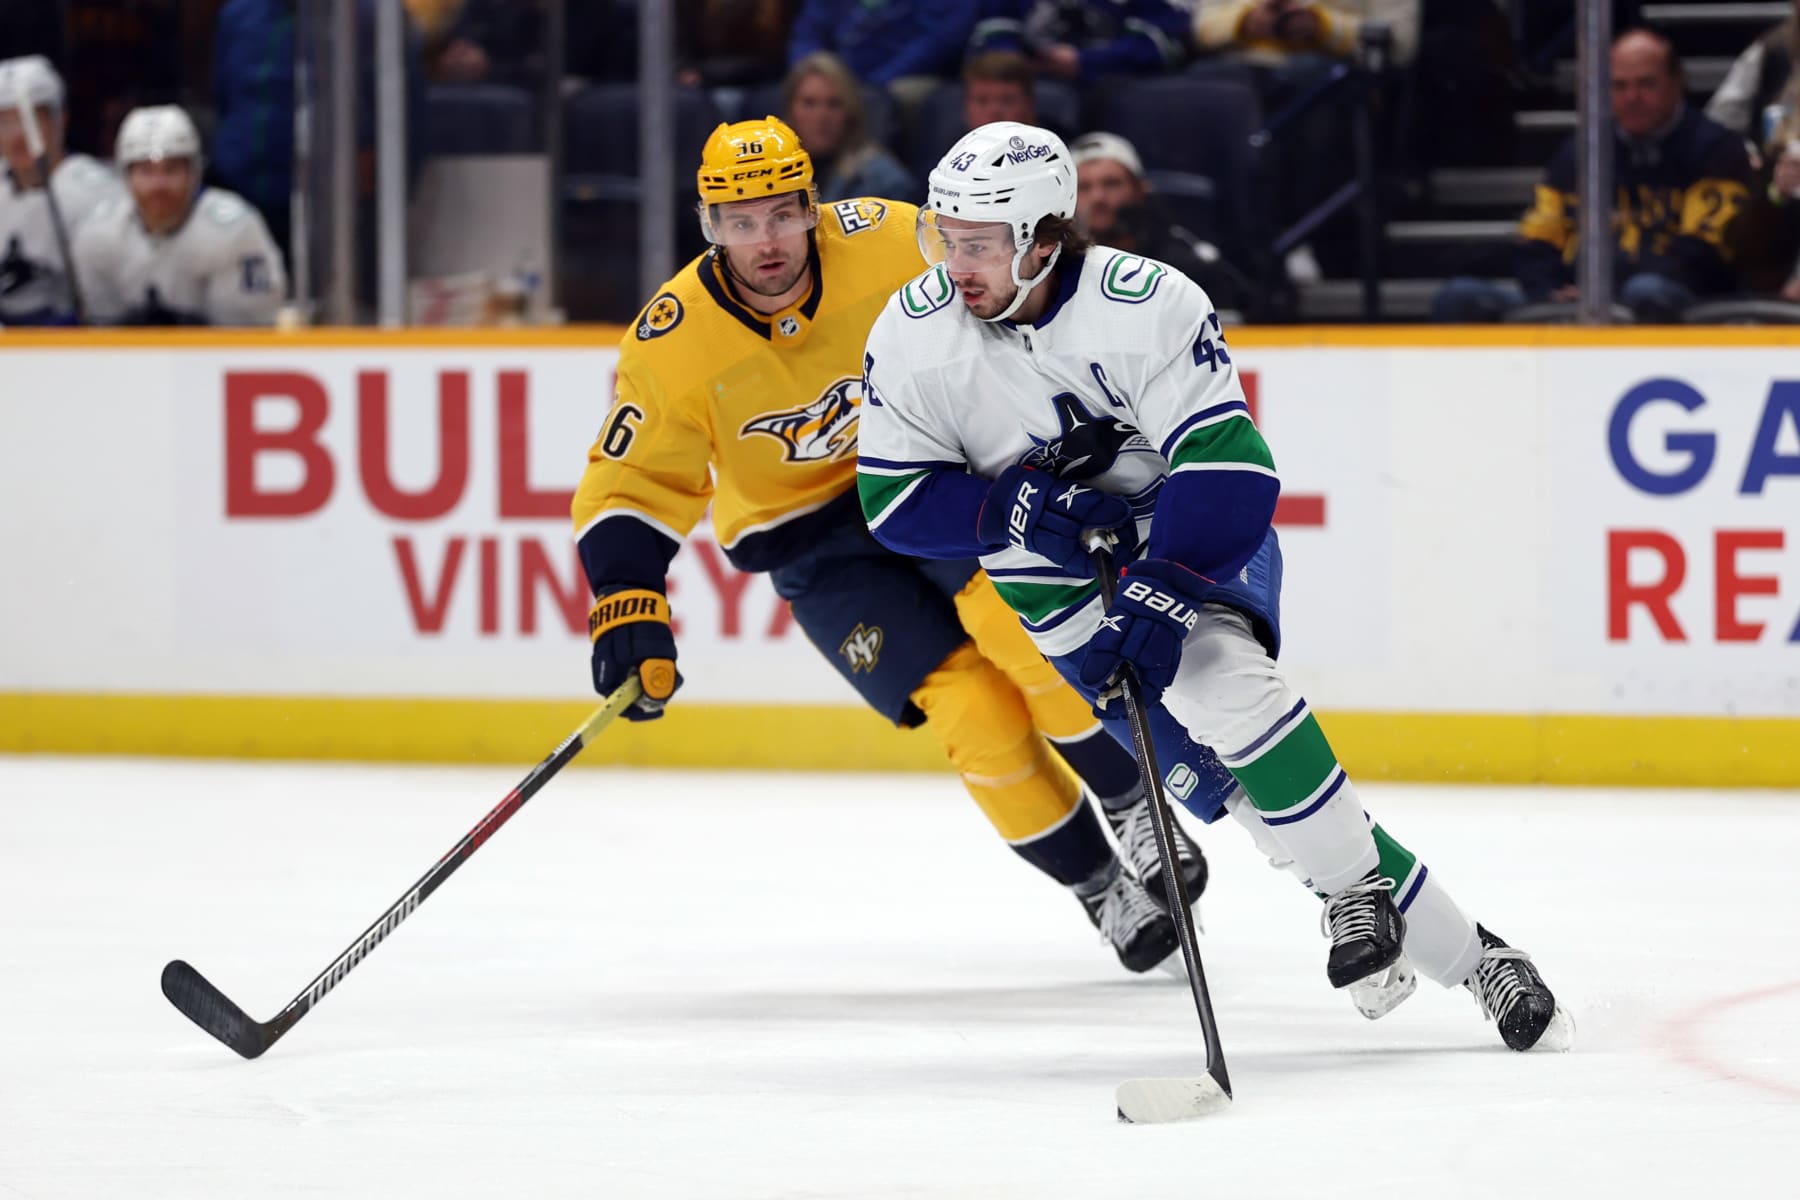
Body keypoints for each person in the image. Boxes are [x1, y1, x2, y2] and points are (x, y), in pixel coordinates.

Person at [856, 119, 1574, 1052]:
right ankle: (1480, 957)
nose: (955, 264)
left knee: (1225, 687)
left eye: (981, 243)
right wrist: (1018, 510)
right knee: (1254, 807)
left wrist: (1160, 588)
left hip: (1185, 542)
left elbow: (1231, 472)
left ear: (1042, 237)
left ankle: (1362, 897)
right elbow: (895, 501)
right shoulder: (914, 333)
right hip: (1055, 601)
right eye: (943, 237)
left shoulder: (1144, 303)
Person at [571, 116, 1211, 977]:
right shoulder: (674, 340)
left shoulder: (889, 238)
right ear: (709, 227)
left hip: (925, 478)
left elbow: (1008, 280)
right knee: (971, 712)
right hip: (811, 544)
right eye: (739, 221)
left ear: (813, 207)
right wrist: (626, 603)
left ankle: (1133, 797)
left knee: (1026, 637)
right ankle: (1099, 886)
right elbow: (633, 484)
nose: (765, 241)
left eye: (781, 214)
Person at [1434, 28, 1752, 323]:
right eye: (1619, 85)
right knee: (1460, 297)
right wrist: (1551, 293)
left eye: (1646, 84)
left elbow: (1703, 253)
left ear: (1676, 82)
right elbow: (1537, 240)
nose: (1632, 97)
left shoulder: (1716, 149)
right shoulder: (1582, 150)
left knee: (1646, 292)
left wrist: (1604, 291)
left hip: (1674, 301)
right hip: (1577, 296)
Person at [74, 105, 287, 326]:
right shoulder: (97, 234)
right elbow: (100, 335)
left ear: (194, 173)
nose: (159, 185)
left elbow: (249, 334)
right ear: (126, 177)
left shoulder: (237, 230)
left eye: (171, 170)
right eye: (146, 171)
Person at [0, 55, 124, 325]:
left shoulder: (99, 194)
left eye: (31, 119)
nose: (18, 134)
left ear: (60, 121)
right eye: (5, 122)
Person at [1071, 130, 1250, 316]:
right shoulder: (1054, 274)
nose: (1098, 197)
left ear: (1141, 190)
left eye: (1111, 183)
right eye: (1083, 187)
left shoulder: (1186, 270)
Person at [783, 52, 918, 203]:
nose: (821, 117)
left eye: (834, 104)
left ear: (850, 112)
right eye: (809, 103)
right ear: (790, 109)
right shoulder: (772, 170)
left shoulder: (884, 181)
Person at [968, 0, 1192, 85]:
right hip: (1032, 78)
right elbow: (992, 31)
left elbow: (1163, 46)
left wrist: (1084, 62)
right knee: (996, 87)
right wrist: (1016, 60)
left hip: (1113, 79)